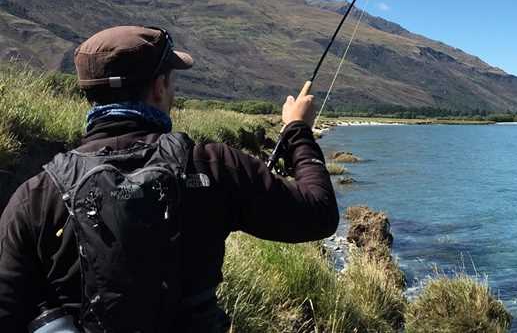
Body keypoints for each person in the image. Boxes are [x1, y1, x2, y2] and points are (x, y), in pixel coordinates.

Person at [0, 26, 339, 332]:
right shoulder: (213, 165)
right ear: (160, 86)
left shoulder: (35, 195)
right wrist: (297, 131)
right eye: (172, 79)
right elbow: (318, 213)